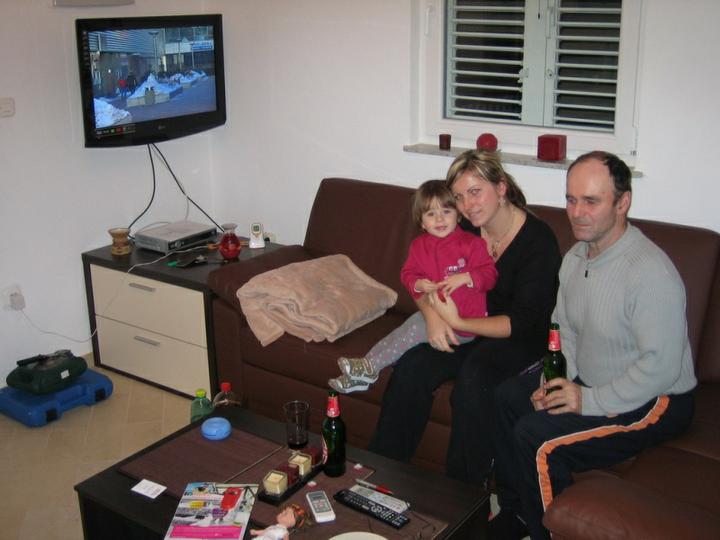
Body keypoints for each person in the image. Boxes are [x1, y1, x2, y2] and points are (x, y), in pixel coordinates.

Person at [490, 151, 697, 540]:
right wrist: (550, 383)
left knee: (537, 439)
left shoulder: (650, 273)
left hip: (656, 398)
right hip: (592, 376)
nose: (577, 213)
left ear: (623, 202)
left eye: (591, 201)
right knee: (508, 398)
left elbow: (661, 368)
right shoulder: (574, 258)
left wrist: (587, 400)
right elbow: (565, 332)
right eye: (571, 200)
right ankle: (516, 512)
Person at [369, 149, 562, 487]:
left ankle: (462, 494)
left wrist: (457, 323)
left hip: (517, 339)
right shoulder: (463, 228)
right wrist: (432, 317)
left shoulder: (537, 241)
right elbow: (418, 279)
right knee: (413, 367)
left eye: (475, 192)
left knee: (474, 380)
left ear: (501, 188)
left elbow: (521, 322)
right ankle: (379, 475)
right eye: (458, 197)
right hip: (468, 328)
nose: (467, 205)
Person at [328, 179, 498, 393]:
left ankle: (369, 368)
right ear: (422, 222)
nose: (439, 219)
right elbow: (407, 274)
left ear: (458, 214)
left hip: (464, 325)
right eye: (431, 214)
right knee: (402, 331)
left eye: (446, 211)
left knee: (413, 331)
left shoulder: (472, 244)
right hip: (435, 314)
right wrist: (418, 283)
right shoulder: (419, 246)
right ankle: (363, 370)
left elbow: (490, 275)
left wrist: (466, 277)